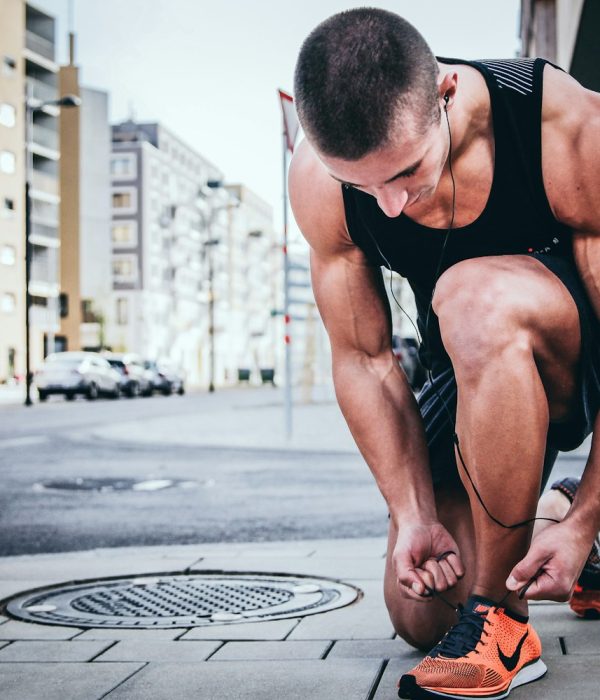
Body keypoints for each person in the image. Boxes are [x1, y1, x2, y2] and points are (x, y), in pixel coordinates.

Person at [289, 8, 600, 700]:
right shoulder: (319, 182)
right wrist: (412, 513)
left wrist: (589, 521)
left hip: (579, 343)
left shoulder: (562, 125)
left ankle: (505, 624)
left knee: (471, 292)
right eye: (363, 187)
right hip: (474, 367)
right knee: (423, 611)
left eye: (405, 172)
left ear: (448, 94)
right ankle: (558, 531)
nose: (389, 206)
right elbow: (364, 360)